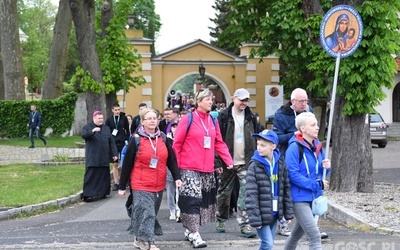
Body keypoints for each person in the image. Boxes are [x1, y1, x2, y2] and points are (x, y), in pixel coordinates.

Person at [173, 88, 234, 248]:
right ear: (198, 102)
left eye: (211, 99)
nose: (210, 102)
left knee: (202, 202)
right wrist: (176, 170)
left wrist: (227, 160)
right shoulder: (188, 118)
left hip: (207, 168)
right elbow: (176, 144)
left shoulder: (213, 121)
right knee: (192, 199)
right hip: (188, 167)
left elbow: (218, 142)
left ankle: (189, 229)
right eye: (207, 99)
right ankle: (195, 234)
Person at [118, 108, 182, 250]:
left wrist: (177, 177)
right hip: (140, 183)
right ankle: (150, 242)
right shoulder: (136, 140)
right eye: (149, 118)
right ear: (142, 122)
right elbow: (127, 164)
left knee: (148, 213)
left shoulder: (163, 138)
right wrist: (122, 186)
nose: (153, 120)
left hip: (158, 184)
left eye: (155, 118)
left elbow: (171, 160)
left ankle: (138, 238)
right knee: (147, 212)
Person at [283, 112, 331, 250]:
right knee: (315, 235)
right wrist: (315, 185)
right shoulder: (293, 148)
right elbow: (292, 174)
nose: (317, 127)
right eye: (313, 125)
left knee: (296, 235)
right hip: (299, 198)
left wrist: (327, 168)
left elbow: (320, 172)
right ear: (302, 128)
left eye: (316, 124)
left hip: (314, 197)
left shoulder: (317, 146)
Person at [215, 88, 258, 238]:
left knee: (245, 193)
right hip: (228, 161)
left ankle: (244, 224)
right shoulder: (224, 116)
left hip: (246, 161)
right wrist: (217, 162)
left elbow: (257, 136)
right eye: (242, 100)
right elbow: (217, 140)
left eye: (247, 100)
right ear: (234, 99)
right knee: (224, 192)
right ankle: (220, 218)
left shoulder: (251, 117)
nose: (244, 103)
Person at [272, 88, 312, 237]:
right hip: (286, 156)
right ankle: (283, 224)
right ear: (293, 101)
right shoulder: (281, 115)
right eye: (301, 101)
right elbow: (276, 138)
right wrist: (293, 135)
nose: (304, 104)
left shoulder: (309, 112)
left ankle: (309, 225)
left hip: (305, 156)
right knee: (284, 190)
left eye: (306, 100)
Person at [246, 129, 294, 250]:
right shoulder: (254, 165)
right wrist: (255, 218)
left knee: (268, 243)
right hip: (261, 213)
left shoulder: (281, 163)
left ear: (273, 146)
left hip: (274, 211)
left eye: (263, 145)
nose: (259, 148)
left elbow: (286, 189)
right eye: (258, 144)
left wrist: (288, 214)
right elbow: (251, 193)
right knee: (268, 244)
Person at [81, 111, 118, 202]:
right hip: (93, 157)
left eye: (102, 118)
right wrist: (92, 131)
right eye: (99, 118)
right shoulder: (87, 127)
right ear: (94, 118)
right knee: (91, 176)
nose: (101, 120)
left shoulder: (106, 128)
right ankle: (88, 194)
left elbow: (111, 142)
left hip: (104, 156)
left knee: (103, 176)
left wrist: (114, 154)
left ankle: (102, 193)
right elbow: (84, 135)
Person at [105, 103, 130, 191]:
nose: (117, 111)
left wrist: (127, 140)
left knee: (124, 162)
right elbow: (107, 132)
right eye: (115, 110)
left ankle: (124, 181)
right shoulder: (109, 120)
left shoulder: (124, 118)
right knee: (115, 163)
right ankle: (116, 182)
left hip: (122, 142)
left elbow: (127, 130)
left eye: (118, 110)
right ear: (112, 110)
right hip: (113, 144)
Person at [165, 120, 181, 222]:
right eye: (173, 126)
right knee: (170, 190)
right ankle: (172, 210)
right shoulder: (167, 139)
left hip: (180, 166)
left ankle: (178, 209)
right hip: (170, 167)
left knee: (179, 190)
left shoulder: (183, 137)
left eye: (177, 126)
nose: (175, 128)